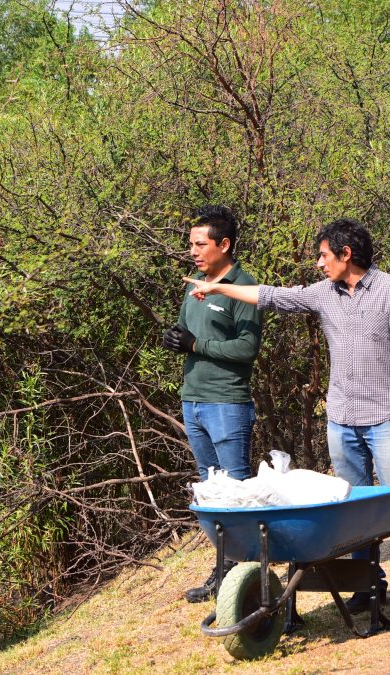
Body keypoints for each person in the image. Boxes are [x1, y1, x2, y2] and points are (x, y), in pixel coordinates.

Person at [182, 218, 390, 611]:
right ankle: (367, 585)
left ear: (345, 255)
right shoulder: (323, 293)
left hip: (386, 415)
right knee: (351, 508)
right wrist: (218, 287)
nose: (319, 263)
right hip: (341, 418)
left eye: (323, 255)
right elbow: (271, 296)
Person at [162, 205, 262, 604]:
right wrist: (177, 338)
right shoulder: (194, 284)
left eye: (200, 244)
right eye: (191, 244)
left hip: (227, 403)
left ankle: (249, 576)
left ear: (224, 244)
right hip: (194, 400)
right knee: (211, 490)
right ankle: (224, 571)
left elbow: (246, 348)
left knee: (236, 490)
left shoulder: (243, 287)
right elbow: (190, 331)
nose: (193, 250)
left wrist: (196, 345)